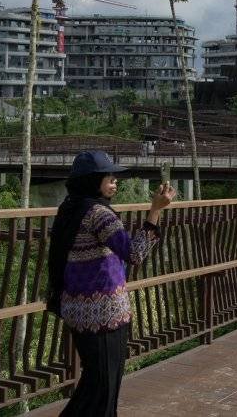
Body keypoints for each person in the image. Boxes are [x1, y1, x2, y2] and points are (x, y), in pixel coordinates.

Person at [46, 151, 176, 417]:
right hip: (103, 313)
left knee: (95, 383)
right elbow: (135, 253)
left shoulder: (70, 207)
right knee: (104, 387)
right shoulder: (98, 213)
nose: (114, 181)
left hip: (75, 308)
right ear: (92, 181)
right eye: (108, 177)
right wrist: (155, 210)